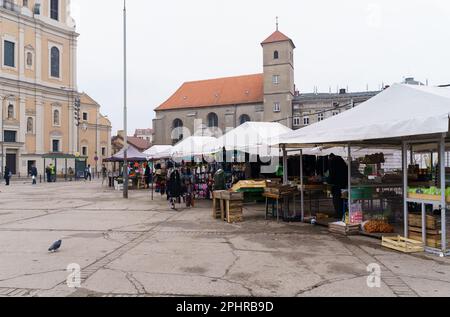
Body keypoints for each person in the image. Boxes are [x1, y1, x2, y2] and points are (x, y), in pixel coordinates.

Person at [328, 153, 349, 220]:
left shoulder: (333, 162)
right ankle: (345, 214)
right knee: (344, 199)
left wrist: (329, 181)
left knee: (337, 200)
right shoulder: (342, 162)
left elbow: (332, 175)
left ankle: (339, 214)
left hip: (337, 185)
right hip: (345, 184)